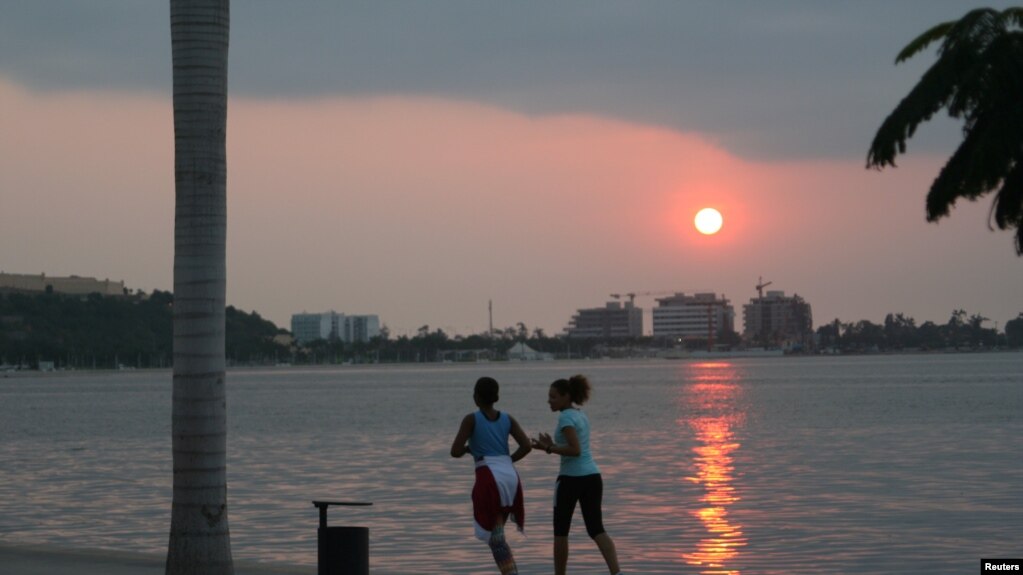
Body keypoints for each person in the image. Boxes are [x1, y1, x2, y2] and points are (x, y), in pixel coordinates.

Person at [531, 374, 624, 575]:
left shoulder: (565, 417)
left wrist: (548, 448)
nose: (549, 401)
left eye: (553, 397)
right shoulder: (580, 414)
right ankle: (617, 572)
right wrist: (553, 445)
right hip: (592, 477)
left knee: (561, 532)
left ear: (566, 396)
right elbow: (575, 447)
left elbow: (575, 450)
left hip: (570, 480)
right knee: (596, 529)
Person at [451, 376, 532, 575]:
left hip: (489, 477)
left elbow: (455, 450)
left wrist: (469, 450)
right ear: (496, 397)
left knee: (495, 539)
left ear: (476, 397)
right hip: (510, 477)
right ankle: (511, 572)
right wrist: (507, 461)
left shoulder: (471, 419)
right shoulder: (507, 418)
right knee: (498, 535)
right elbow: (527, 446)